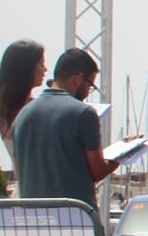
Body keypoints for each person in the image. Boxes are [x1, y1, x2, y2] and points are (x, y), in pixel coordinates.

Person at [11, 48, 121, 208]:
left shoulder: (23, 115)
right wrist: (120, 158)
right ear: (78, 78)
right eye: (89, 85)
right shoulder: (84, 114)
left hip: (33, 217)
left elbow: (20, 167)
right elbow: (97, 171)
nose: (87, 92)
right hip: (74, 218)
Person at [0, 40, 46, 164]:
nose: (45, 70)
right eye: (41, 65)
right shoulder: (31, 110)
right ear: (28, 68)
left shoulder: (6, 108)